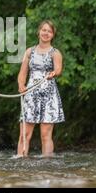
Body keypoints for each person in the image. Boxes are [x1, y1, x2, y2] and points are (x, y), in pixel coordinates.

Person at [17, 20, 65, 157]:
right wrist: (21, 85)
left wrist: (53, 74)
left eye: (49, 31)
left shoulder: (55, 53)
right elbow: (22, 73)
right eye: (44, 30)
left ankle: (47, 162)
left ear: (53, 35)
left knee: (45, 135)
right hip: (31, 94)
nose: (46, 33)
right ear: (39, 32)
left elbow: (58, 69)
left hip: (49, 96)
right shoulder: (29, 52)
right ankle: (21, 160)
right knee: (24, 134)